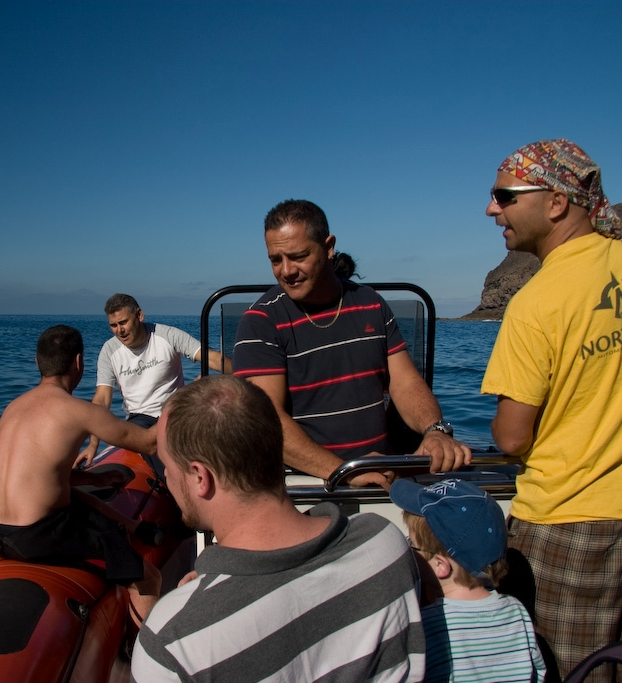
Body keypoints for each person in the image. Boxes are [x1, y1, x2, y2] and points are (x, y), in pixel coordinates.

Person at [480, 139, 622, 681]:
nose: (492, 209)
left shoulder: (537, 302)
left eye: (505, 196)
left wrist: (583, 428)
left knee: (568, 669)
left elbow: (511, 438)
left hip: (569, 523)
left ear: (556, 202)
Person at [130, 375, 425, 682]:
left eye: (167, 465)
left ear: (199, 477)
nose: (166, 475)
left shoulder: (172, 642)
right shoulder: (384, 544)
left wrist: (190, 605)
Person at [232, 199, 471, 486]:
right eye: (275, 260)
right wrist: (344, 471)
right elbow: (265, 420)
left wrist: (434, 430)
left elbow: (404, 382)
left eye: (298, 256)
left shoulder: (371, 303)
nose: (286, 270)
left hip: (380, 477)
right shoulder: (261, 321)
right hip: (305, 485)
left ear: (329, 247)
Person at [0, 325, 162, 619]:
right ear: (79, 362)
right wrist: (181, 403)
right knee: (148, 578)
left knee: (75, 497)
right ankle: (150, 645)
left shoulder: (13, 407)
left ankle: (131, 526)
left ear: (38, 362)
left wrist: (95, 479)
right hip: (35, 537)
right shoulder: (78, 411)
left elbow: (41, 475)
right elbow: (150, 443)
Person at [390, 477, 546, 682]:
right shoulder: (517, 612)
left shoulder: (426, 624)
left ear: (440, 566)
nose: (409, 550)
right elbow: (538, 673)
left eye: (411, 543)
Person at [77, 293, 230, 469]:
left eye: (124, 322)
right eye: (114, 325)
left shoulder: (167, 335)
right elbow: (102, 399)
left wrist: (244, 373)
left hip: (175, 413)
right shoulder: (109, 350)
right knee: (153, 445)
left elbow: (212, 358)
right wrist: (93, 444)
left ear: (139, 315)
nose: (120, 330)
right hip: (139, 419)